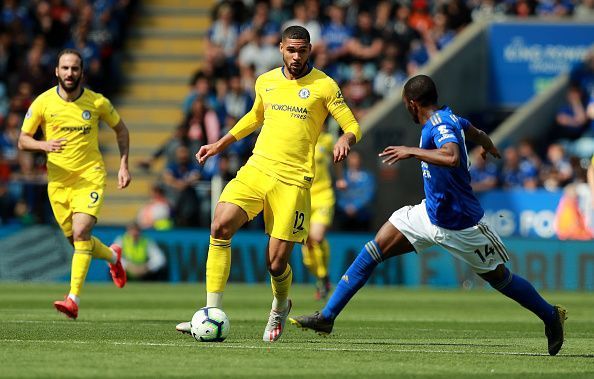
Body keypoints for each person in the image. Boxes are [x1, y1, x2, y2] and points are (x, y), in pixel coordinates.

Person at [290, 75, 567, 356]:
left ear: (412, 104)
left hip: (462, 225)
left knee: (500, 278)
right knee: (373, 250)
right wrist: (488, 145)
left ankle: (550, 315)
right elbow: (476, 132)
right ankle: (327, 316)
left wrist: (412, 151)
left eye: (405, 105)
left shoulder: (440, 124)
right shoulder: (451, 118)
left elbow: (451, 157)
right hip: (428, 214)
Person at [175, 26, 361, 342]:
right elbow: (254, 117)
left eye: (302, 50)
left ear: (310, 49)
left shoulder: (325, 86)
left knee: (275, 264)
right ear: (280, 48)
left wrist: (345, 139)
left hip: (293, 180)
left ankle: (279, 306)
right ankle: (210, 312)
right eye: (291, 50)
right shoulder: (266, 81)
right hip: (258, 168)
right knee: (220, 226)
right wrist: (219, 144)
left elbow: (352, 123)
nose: (296, 56)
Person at [18, 49, 131, 320]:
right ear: (57, 71)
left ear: (82, 72)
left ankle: (73, 299)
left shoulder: (97, 102)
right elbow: (23, 140)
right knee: (78, 242)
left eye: (75, 69)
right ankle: (114, 257)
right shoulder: (43, 103)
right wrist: (43, 144)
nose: (70, 73)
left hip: (89, 175)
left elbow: (121, 130)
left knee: (82, 233)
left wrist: (124, 164)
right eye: (65, 68)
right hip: (58, 183)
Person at [301, 128, 346, 300]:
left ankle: (322, 278)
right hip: (304, 196)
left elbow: (337, 159)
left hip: (324, 195)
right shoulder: (301, 136)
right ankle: (323, 277)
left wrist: (340, 178)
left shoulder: (327, 140)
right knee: (308, 246)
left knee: (317, 237)